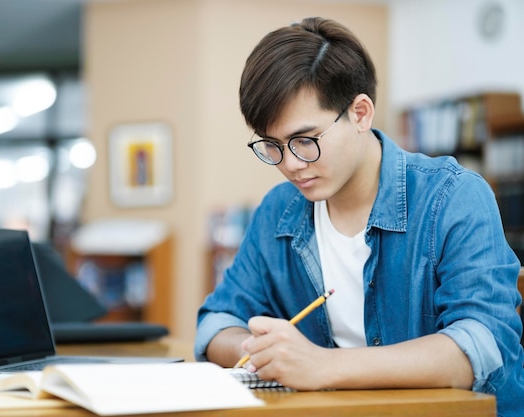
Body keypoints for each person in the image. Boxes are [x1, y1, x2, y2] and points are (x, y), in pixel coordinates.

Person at [194, 16, 524, 417]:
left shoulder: (453, 197)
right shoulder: (278, 212)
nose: (292, 164)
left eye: (305, 140)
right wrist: (265, 352)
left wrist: (319, 365)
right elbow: (215, 323)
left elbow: (482, 344)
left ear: (361, 113)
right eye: (273, 146)